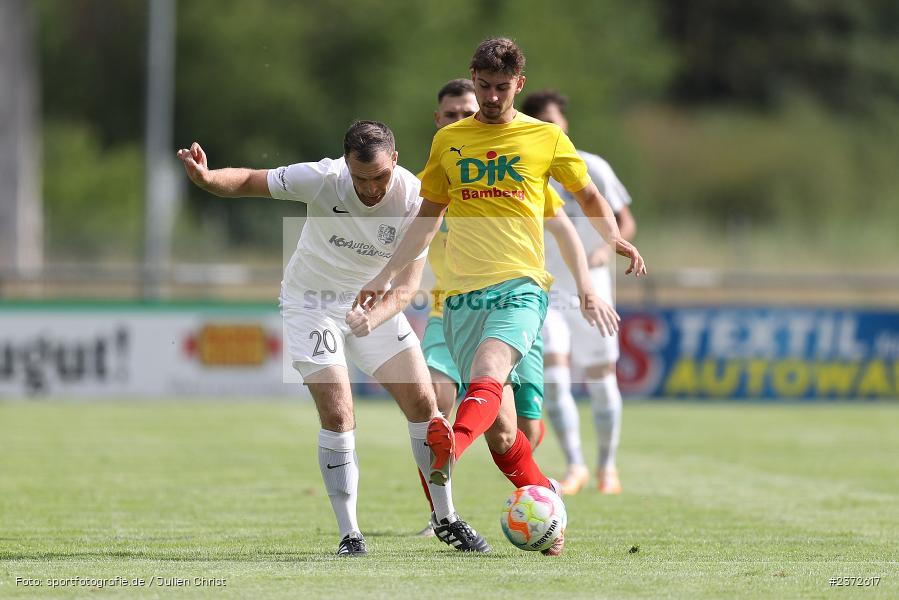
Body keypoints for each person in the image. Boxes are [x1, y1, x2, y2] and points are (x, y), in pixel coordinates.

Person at [358, 38, 646, 556]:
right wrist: (387, 273)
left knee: (488, 374)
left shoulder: (544, 138)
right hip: (462, 299)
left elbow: (587, 196)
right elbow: (427, 220)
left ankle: (450, 445)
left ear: (520, 84)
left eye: (501, 88)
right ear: (474, 78)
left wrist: (612, 237)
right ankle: (550, 513)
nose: (491, 97)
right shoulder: (450, 143)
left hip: (520, 285)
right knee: (505, 437)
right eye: (484, 87)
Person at [175, 121, 489, 555]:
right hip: (311, 305)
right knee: (340, 412)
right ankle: (350, 534)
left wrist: (371, 318)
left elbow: (405, 288)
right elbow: (250, 180)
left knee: (425, 406)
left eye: (380, 177)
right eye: (362, 179)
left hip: (371, 310)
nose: (372, 188)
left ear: (394, 161)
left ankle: (446, 517)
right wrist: (209, 179)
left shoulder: (417, 197)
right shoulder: (322, 178)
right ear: (346, 166)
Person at [414, 79, 608, 538]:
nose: (463, 118)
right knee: (456, 413)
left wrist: (587, 283)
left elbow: (565, 225)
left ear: (514, 87)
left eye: (469, 109)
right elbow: (411, 231)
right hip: (452, 309)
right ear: (437, 120)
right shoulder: (438, 165)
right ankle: (449, 509)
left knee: (520, 429)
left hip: (516, 295)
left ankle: (460, 457)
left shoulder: (524, 152)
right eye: (452, 114)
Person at [522, 90, 637, 495]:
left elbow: (625, 220)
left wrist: (608, 247)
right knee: (553, 375)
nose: (553, 129)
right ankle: (575, 464)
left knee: (601, 376)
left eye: (557, 121)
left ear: (565, 125)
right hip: (547, 288)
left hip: (593, 287)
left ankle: (608, 466)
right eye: (544, 123)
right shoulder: (525, 169)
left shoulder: (592, 167)